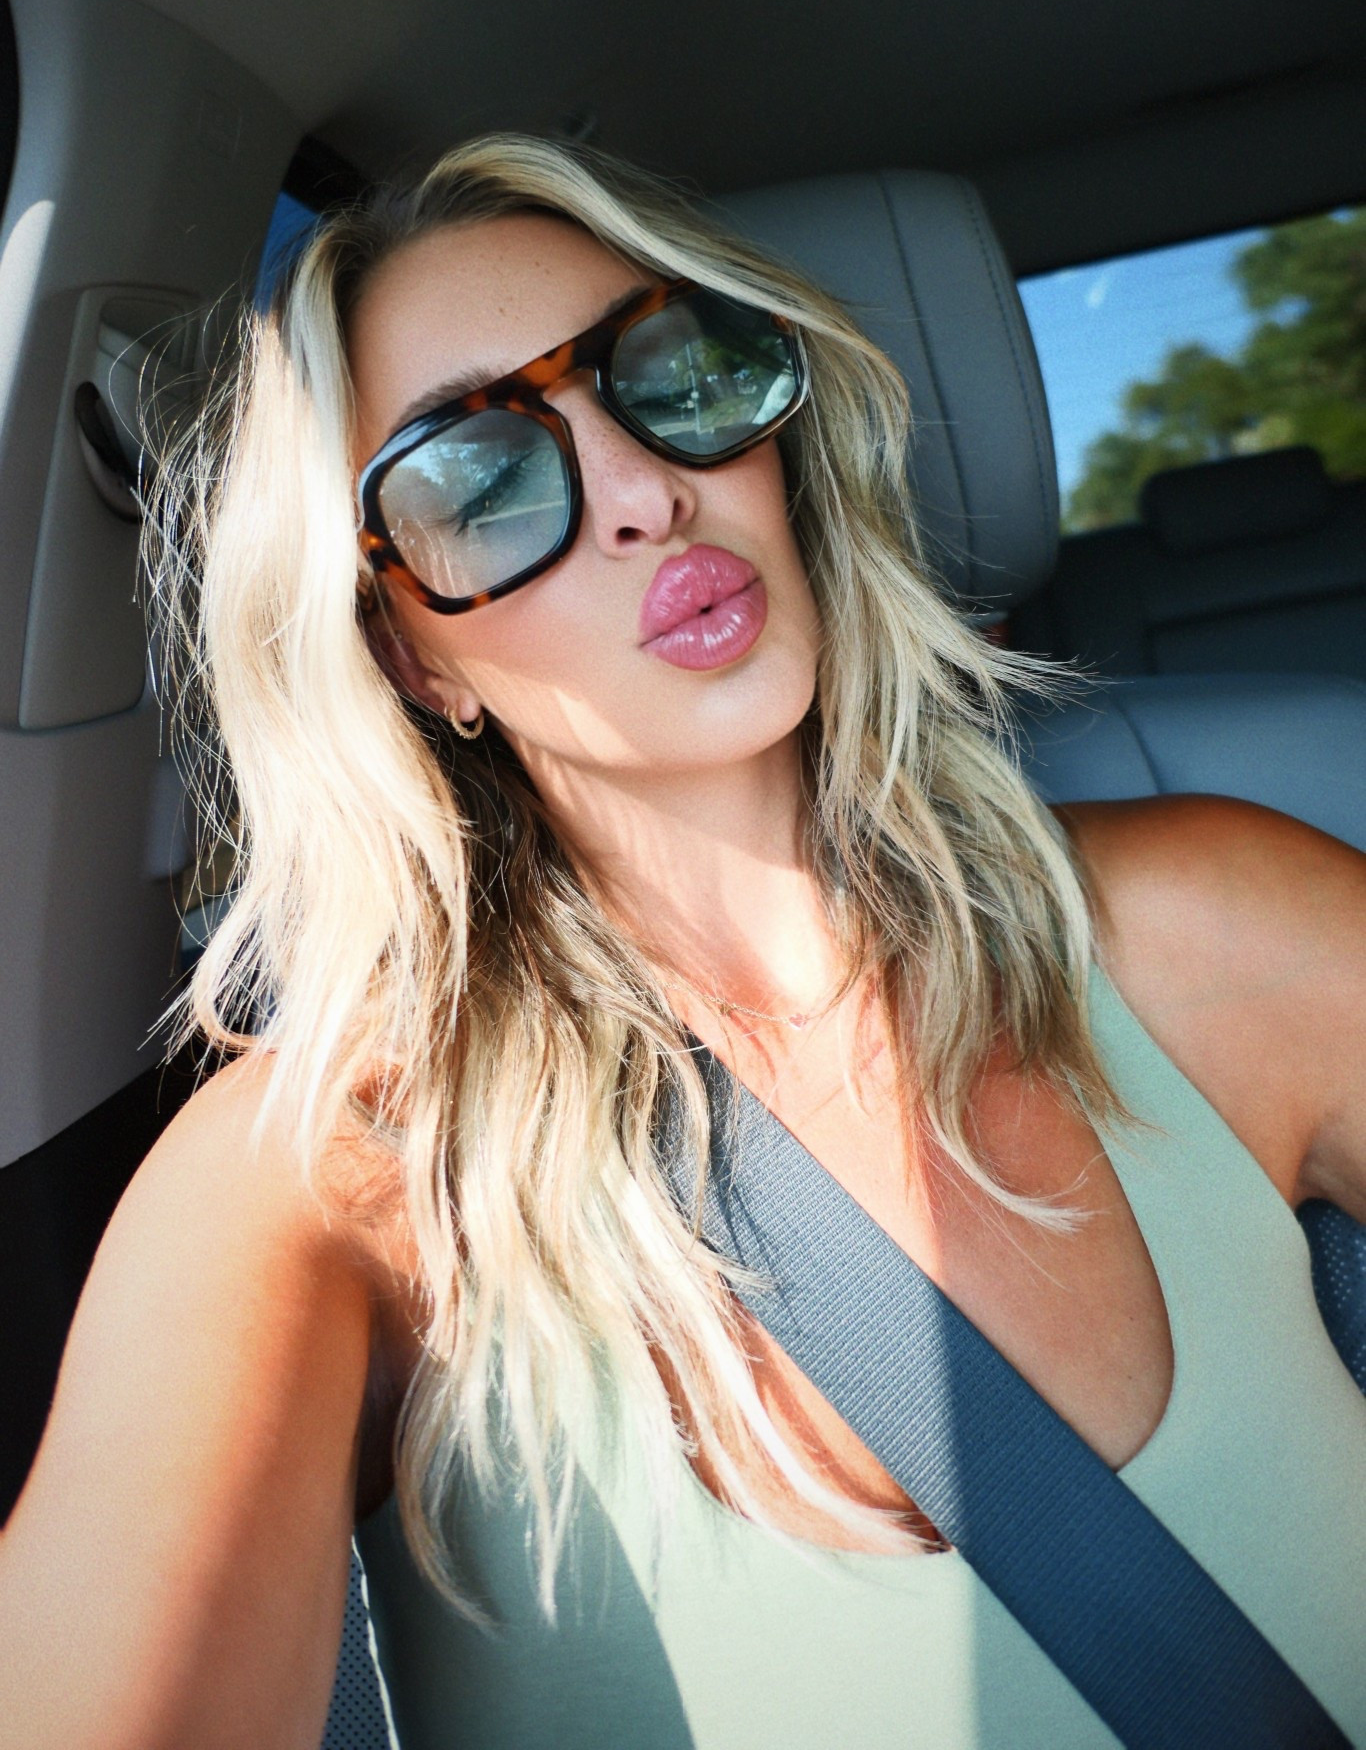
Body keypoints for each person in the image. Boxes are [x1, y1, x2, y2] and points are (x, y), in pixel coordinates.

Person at [0, 134, 1363, 1749]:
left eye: (671, 375)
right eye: (476, 480)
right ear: (411, 660)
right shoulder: (327, 1177)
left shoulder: (1220, 927)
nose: (649, 493)